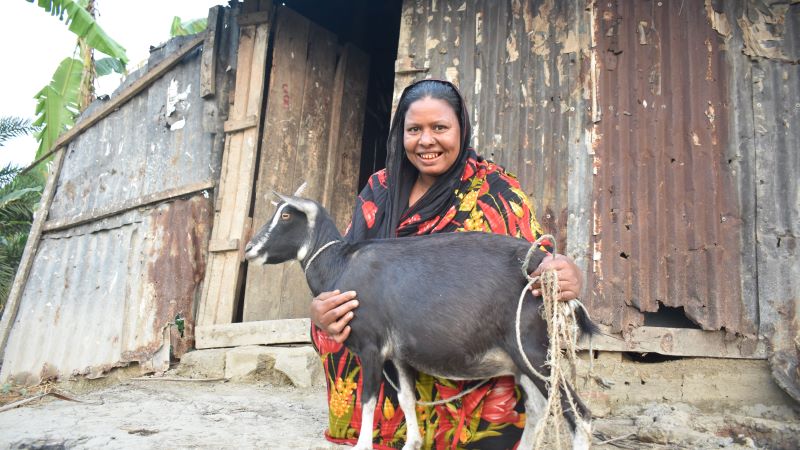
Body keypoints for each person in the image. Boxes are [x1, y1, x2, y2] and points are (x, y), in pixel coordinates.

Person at [309, 79, 583, 449]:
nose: (426, 141)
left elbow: (537, 264)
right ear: (399, 134)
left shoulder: (495, 193)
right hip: (393, 355)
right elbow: (342, 268)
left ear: (461, 129)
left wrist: (564, 274)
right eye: (414, 130)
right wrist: (323, 308)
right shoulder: (379, 191)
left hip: (470, 367)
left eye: (439, 127)